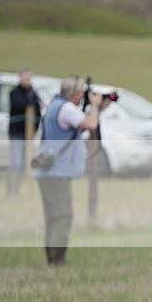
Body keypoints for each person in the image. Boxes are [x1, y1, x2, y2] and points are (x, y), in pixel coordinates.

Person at [34, 75, 107, 265]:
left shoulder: (56, 105)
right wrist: (95, 106)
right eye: (81, 93)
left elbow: (77, 129)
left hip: (49, 170)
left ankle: (52, 257)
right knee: (63, 216)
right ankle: (57, 259)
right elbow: (91, 124)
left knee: (53, 217)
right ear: (75, 94)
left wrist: (98, 109)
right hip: (56, 172)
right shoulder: (66, 108)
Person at [7, 68, 42, 196]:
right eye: (25, 77)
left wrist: (35, 130)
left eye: (29, 77)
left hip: (29, 135)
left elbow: (37, 109)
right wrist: (31, 103)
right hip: (17, 133)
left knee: (25, 163)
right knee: (15, 163)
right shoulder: (15, 93)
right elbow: (20, 105)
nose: (27, 80)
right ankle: (12, 190)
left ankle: (20, 189)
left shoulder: (33, 93)